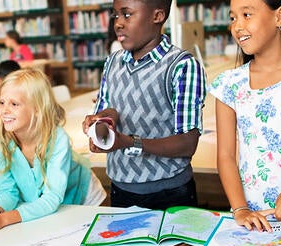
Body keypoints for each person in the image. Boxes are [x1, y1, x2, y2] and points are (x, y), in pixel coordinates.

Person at [82, 0, 206, 210]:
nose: (118, 24)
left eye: (127, 15)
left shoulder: (182, 66)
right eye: (116, 15)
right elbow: (111, 108)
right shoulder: (113, 62)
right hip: (120, 190)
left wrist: (130, 142)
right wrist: (101, 122)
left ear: (157, 16)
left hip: (169, 194)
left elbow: (187, 143)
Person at [0, 68, 107, 233]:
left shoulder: (57, 139)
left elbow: (52, 198)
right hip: (43, 207)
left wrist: (3, 220)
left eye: (14, 104)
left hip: (83, 197)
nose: (4, 111)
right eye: (2, 102)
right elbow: (7, 191)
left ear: (37, 108)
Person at [210, 0, 281, 232]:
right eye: (232, 18)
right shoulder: (229, 84)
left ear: (279, 17)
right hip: (255, 223)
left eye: (247, 14)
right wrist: (241, 210)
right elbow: (226, 156)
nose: (237, 26)